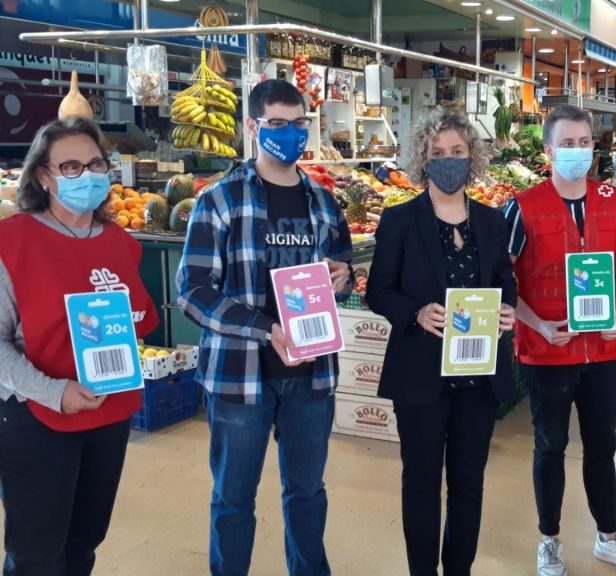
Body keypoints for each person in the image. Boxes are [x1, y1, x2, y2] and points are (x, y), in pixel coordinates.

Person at [176, 79, 353, 576]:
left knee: (307, 493)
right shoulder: (220, 200)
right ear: (253, 127)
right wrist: (265, 329)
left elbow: (339, 277)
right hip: (240, 377)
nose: (290, 134)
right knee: (233, 498)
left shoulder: (324, 202)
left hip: (311, 376)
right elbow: (192, 291)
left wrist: (344, 278)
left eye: (298, 124)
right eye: (277, 123)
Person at [0, 117, 158, 575]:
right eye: (70, 166)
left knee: (84, 540)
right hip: (37, 417)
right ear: (43, 176)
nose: (86, 175)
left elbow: (138, 317)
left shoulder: (121, 242)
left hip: (109, 415)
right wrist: (55, 391)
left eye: (95, 164)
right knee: (36, 553)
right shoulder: (12, 242)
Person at [504, 105, 616, 576]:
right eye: (566, 144)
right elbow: (504, 279)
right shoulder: (522, 206)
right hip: (546, 350)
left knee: (603, 443)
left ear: (594, 147)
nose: (577, 151)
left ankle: (608, 535)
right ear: (549, 151)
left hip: (604, 350)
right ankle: (549, 540)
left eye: (584, 142)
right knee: (550, 444)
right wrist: (538, 325)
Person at [366, 108, 517, 576]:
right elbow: (378, 291)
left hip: (478, 377)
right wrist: (414, 312)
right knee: (421, 483)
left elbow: (504, 281)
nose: (448, 160)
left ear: (472, 156)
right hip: (420, 375)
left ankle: (459, 569)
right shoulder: (400, 220)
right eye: (437, 153)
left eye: (457, 151)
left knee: (469, 484)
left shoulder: (491, 220)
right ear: (423, 158)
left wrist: (507, 310)